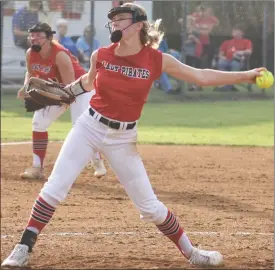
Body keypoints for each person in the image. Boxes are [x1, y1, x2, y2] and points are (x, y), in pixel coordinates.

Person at [1, 3, 265, 268]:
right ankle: (22, 247)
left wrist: (246, 76)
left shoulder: (156, 59)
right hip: (89, 127)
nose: (114, 24)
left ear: (138, 25)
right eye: (112, 20)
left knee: (150, 206)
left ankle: (192, 252)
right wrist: (62, 92)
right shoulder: (101, 54)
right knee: (55, 187)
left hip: (123, 139)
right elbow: (87, 83)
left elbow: (200, 76)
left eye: (120, 19)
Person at [17, 22, 106, 180]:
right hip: (58, 90)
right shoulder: (31, 53)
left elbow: (70, 88)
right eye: (32, 35)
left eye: (39, 36)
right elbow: (30, 73)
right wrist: (26, 87)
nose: (34, 39)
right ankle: (37, 168)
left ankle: (98, 162)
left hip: (80, 90)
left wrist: (48, 98)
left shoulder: (60, 55)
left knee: (81, 127)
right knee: (38, 123)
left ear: (49, 38)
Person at [216, 24, 253, 91]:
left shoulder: (246, 41)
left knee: (234, 64)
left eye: (237, 31)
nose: (235, 33)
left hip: (239, 61)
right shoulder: (227, 42)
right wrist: (222, 57)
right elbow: (220, 54)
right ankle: (226, 85)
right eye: (234, 31)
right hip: (227, 60)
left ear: (242, 33)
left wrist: (240, 52)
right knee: (221, 63)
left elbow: (249, 51)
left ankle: (228, 86)